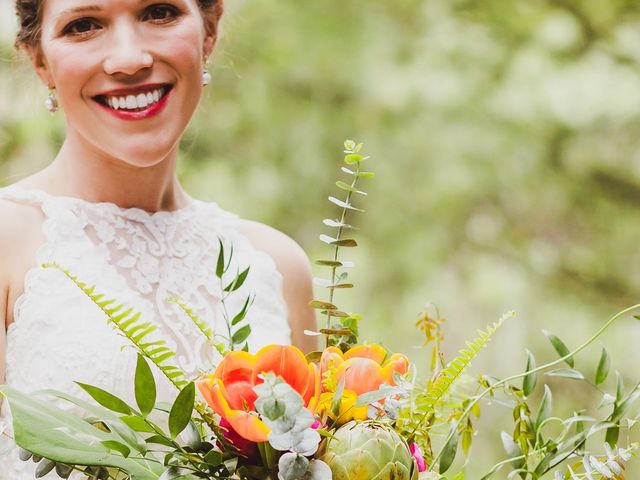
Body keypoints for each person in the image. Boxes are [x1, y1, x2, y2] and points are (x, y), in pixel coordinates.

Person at [0, 0, 317, 477]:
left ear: (209, 31)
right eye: (84, 25)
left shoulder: (277, 267)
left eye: (160, 12)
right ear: (40, 60)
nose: (129, 58)